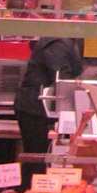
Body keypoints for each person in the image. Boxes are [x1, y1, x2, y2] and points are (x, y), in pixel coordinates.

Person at [13, 36, 84, 175]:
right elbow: (62, 79)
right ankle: (32, 187)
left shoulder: (64, 41)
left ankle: (34, 184)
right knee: (37, 161)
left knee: (37, 159)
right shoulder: (57, 43)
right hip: (34, 108)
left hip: (37, 107)